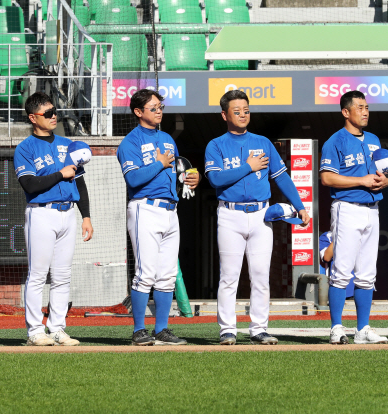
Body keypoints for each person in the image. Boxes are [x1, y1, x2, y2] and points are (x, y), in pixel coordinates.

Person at [204, 90, 310, 346]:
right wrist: (248, 167)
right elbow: (215, 179)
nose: (243, 114)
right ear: (224, 114)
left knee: (261, 275)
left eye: (246, 110)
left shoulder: (263, 142)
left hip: (262, 215)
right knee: (229, 276)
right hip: (230, 214)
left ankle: (259, 328)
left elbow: (281, 177)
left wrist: (300, 206)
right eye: (237, 111)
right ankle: (227, 330)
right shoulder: (216, 144)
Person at [116, 89, 200, 346]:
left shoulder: (167, 139)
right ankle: (139, 330)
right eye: (153, 107)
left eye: (160, 106)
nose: (159, 111)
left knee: (166, 274)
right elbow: (133, 179)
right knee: (145, 273)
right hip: (144, 208)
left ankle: (161, 329)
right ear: (138, 112)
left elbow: (177, 172)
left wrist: (189, 179)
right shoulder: (129, 142)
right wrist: (159, 164)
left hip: (170, 209)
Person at [13, 92, 93, 346]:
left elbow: (79, 182)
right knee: (38, 275)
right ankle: (35, 330)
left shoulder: (67, 144)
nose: (53, 116)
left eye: (54, 111)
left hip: (67, 212)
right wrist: (60, 174)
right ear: (33, 118)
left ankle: (57, 327)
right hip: (41, 213)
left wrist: (86, 216)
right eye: (47, 113)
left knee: (62, 275)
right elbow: (29, 183)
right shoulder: (25, 148)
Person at [320, 90, 388, 345]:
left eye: (367, 107)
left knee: (367, 274)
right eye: (359, 107)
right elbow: (326, 178)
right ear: (346, 112)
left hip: (372, 209)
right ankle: (336, 328)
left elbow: (382, 174)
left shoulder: (373, 139)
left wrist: (385, 181)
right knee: (341, 272)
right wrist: (361, 180)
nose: (365, 111)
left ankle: (362, 329)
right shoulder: (335, 141)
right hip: (346, 208)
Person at [318, 232, 355, 299]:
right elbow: (326, 257)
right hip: (338, 285)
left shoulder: (359, 233)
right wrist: (339, 235)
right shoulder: (328, 235)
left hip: (358, 285)